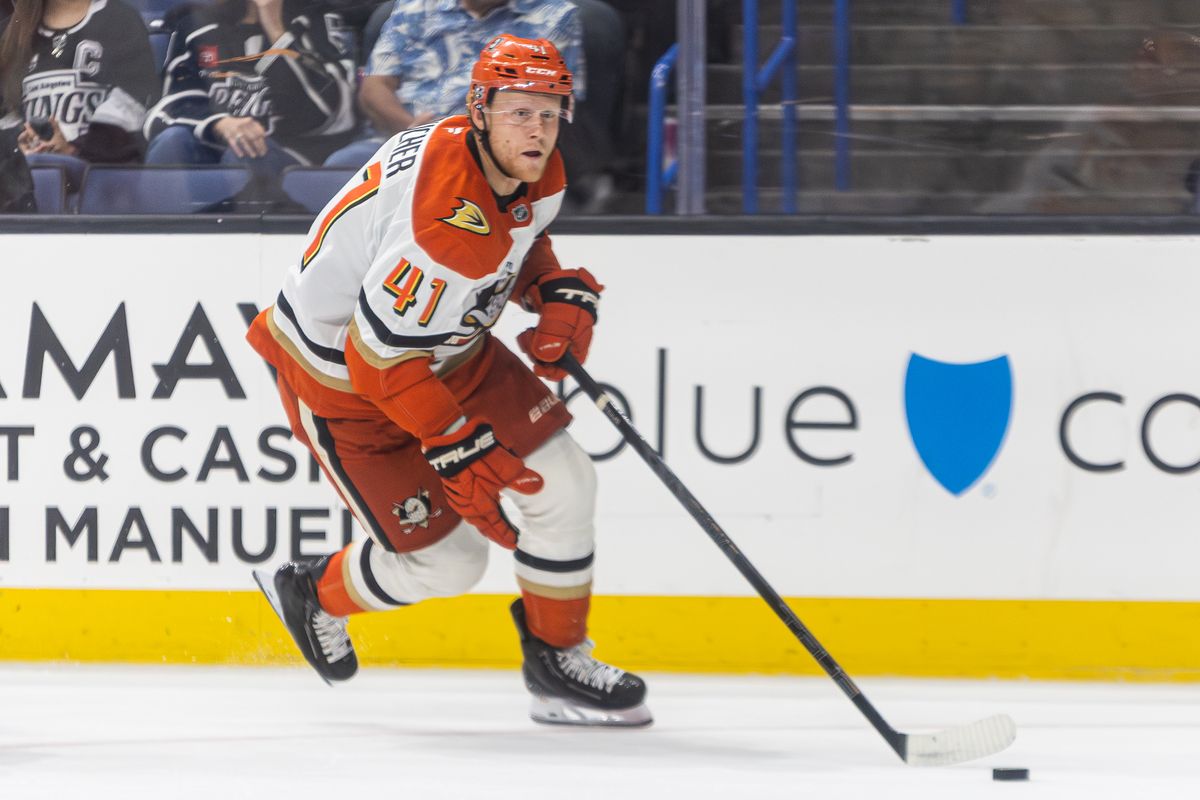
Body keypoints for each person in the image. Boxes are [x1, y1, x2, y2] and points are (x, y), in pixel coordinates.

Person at [247, 33, 650, 727]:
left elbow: (516, 236)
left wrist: (551, 287)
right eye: (521, 112)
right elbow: (378, 362)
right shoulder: (443, 232)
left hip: (441, 348)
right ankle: (317, 592)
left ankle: (556, 661)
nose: (539, 130)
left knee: (567, 483)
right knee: (449, 565)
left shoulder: (515, 164)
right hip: (343, 382)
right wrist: (455, 442)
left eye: (550, 114)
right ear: (481, 109)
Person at [327, 0, 623, 211]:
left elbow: (544, 102)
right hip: (405, 140)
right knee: (336, 169)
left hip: (494, 151)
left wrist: (452, 138)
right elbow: (375, 87)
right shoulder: (413, 8)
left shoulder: (555, 15)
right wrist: (411, 130)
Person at [143, 0, 355, 174]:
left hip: (290, 159)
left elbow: (331, 114)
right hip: (213, 146)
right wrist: (219, 123)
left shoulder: (318, 20)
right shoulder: (197, 26)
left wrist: (277, 31)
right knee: (173, 142)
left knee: (245, 149)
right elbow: (169, 107)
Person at [0, 0, 159, 190]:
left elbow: (133, 105)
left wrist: (74, 149)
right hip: (26, 188)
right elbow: (7, 115)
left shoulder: (121, 21)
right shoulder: (10, 34)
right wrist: (20, 148)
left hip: (103, 186)